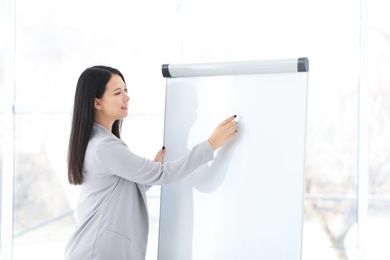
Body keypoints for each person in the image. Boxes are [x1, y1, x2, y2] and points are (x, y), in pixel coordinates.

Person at [64, 65, 238, 260]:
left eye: (126, 90)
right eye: (117, 93)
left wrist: (149, 171)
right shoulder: (104, 147)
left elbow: (119, 188)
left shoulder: (98, 142)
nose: (126, 97)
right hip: (96, 251)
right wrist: (212, 143)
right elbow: (164, 175)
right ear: (97, 102)